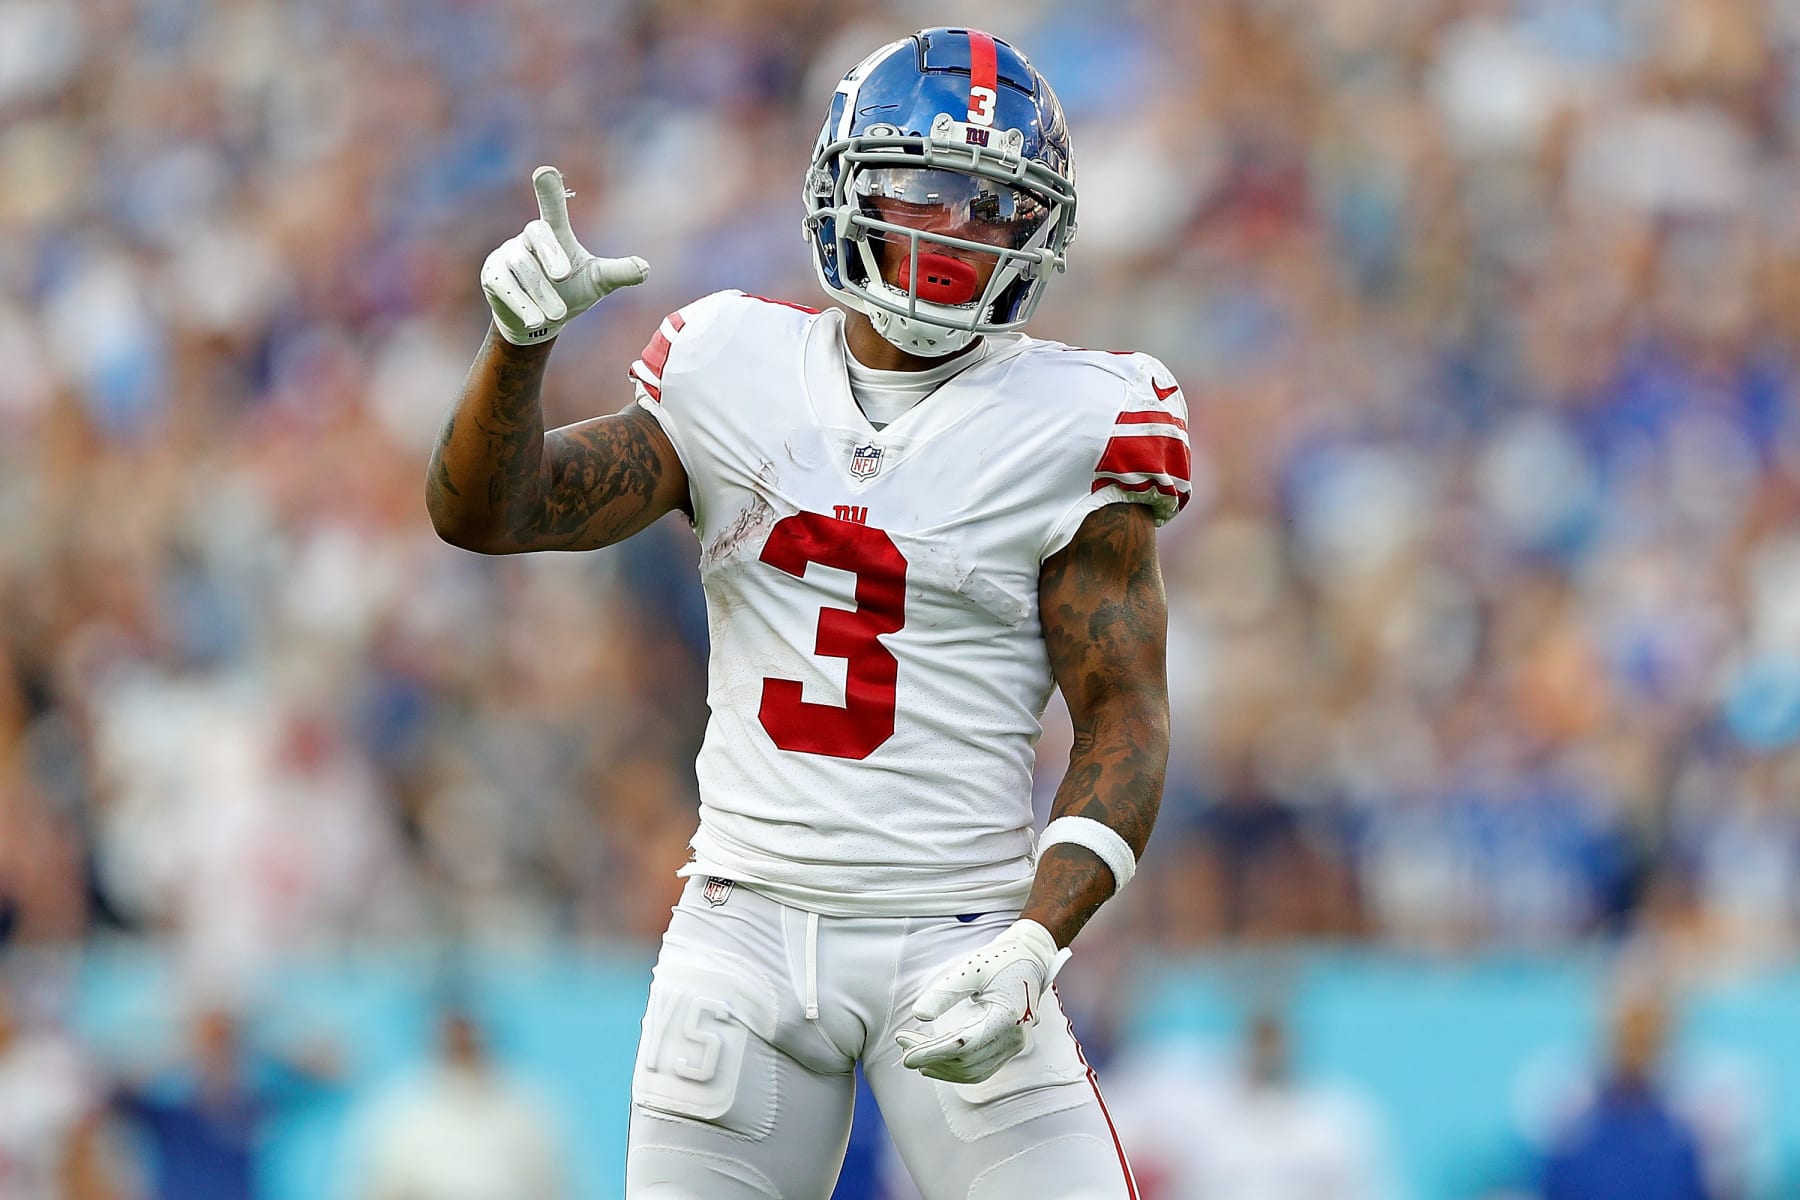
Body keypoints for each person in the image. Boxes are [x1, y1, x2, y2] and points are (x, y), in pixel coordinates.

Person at [427, 26, 1190, 1199]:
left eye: (994, 206)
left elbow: (1125, 721)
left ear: (1040, 227)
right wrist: (516, 349)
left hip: (962, 933)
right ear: (850, 191)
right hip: (744, 925)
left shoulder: (1080, 420)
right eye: (928, 193)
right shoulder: (729, 363)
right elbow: (494, 513)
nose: (956, 233)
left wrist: (1038, 938)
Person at [349, 1003, 568, 1200]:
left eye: (469, 1034)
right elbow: (373, 1187)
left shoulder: (525, 1106)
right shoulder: (400, 1107)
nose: (462, 1042)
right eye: (454, 1036)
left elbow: (555, 1185)